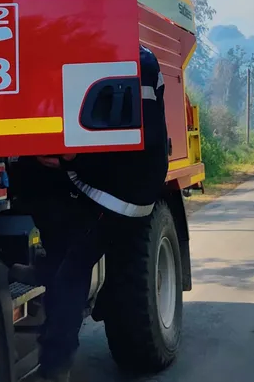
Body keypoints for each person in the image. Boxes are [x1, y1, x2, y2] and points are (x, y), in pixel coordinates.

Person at [11, 46, 170, 382]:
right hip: (102, 182)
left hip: (121, 193)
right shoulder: (120, 56)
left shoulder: (137, 64)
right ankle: (47, 266)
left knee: (71, 271)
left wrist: (73, 159)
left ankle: (56, 366)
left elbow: (143, 139)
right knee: (32, 178)